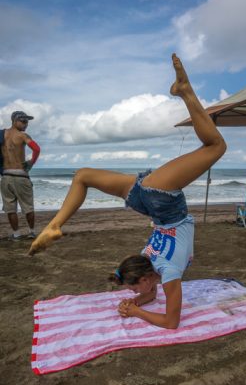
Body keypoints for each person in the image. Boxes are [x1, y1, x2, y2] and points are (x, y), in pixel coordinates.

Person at [29, 54, 226, 329]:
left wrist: (136, 310)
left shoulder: (164, 272)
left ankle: (185, 91)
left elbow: (170, 322)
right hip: (141, 196)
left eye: (133, 290)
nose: (135, 294)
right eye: (132, 292)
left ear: (145, 279)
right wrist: (136, 304)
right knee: (82, 176)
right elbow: (158, 302)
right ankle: (55, 224)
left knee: (216, 147)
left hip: (161, 201)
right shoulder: (149, 262)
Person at [0, 111, 41, 240]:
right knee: (28, 206)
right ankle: (32, 232)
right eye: (23, 121)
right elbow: (37, 149)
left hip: (5, 176)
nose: (26, 124)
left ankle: (16, 234)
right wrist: (31, 162)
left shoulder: (2, 134)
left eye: (27, 122)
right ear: (14, 121)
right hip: (20, 176)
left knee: (10, 208)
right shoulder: (23, 136)